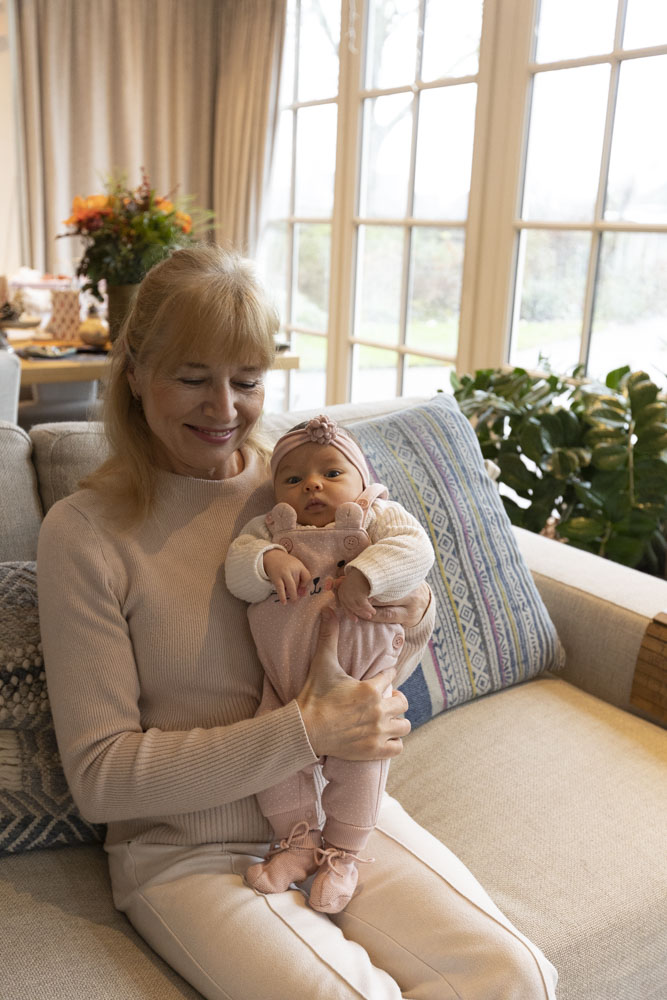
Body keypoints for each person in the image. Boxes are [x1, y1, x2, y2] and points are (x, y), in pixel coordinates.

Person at [37, 244, 558, 999]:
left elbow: (367, 673)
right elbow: (100, 779)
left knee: (515, 976)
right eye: (193, 379)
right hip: (189, 848)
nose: (225, 410)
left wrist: (408, 619)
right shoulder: (85, 532)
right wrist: (304, 731)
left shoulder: (298, 483)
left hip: (335, 813)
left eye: (247, 381)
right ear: (136, 371)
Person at [225, 414, 435, 912]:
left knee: (361, 769)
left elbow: (415, 549)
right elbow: (236, 573)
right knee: (277, 770)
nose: (312, 485)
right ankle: (297, 843)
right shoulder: (268, 530)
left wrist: (367, 574)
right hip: (283, 683)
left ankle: (343, 855)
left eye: (332, 473)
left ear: (363, 480)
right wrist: (266, 562)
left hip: (362, 687)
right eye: (293, 478)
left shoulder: (377, 516)